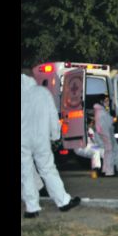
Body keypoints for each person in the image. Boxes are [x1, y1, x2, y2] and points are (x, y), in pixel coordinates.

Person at [21, 74, 80, 218]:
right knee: (47, 170)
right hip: (41, 138)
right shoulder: (42, 93)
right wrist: (55, 135)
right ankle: (63, 202)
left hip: (22, 139)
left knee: (25, 173)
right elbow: (53, 115)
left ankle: (31, 208)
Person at [94, 95, 118, 176]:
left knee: (107, 152)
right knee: (109, 151)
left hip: (104, 134)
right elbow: (108, 123)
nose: (108, 102)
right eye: (106, 100)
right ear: (101, 101)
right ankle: (109, 172)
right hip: (105, 134)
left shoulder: (101, 111)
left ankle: (105, 170)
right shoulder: (101, 112)